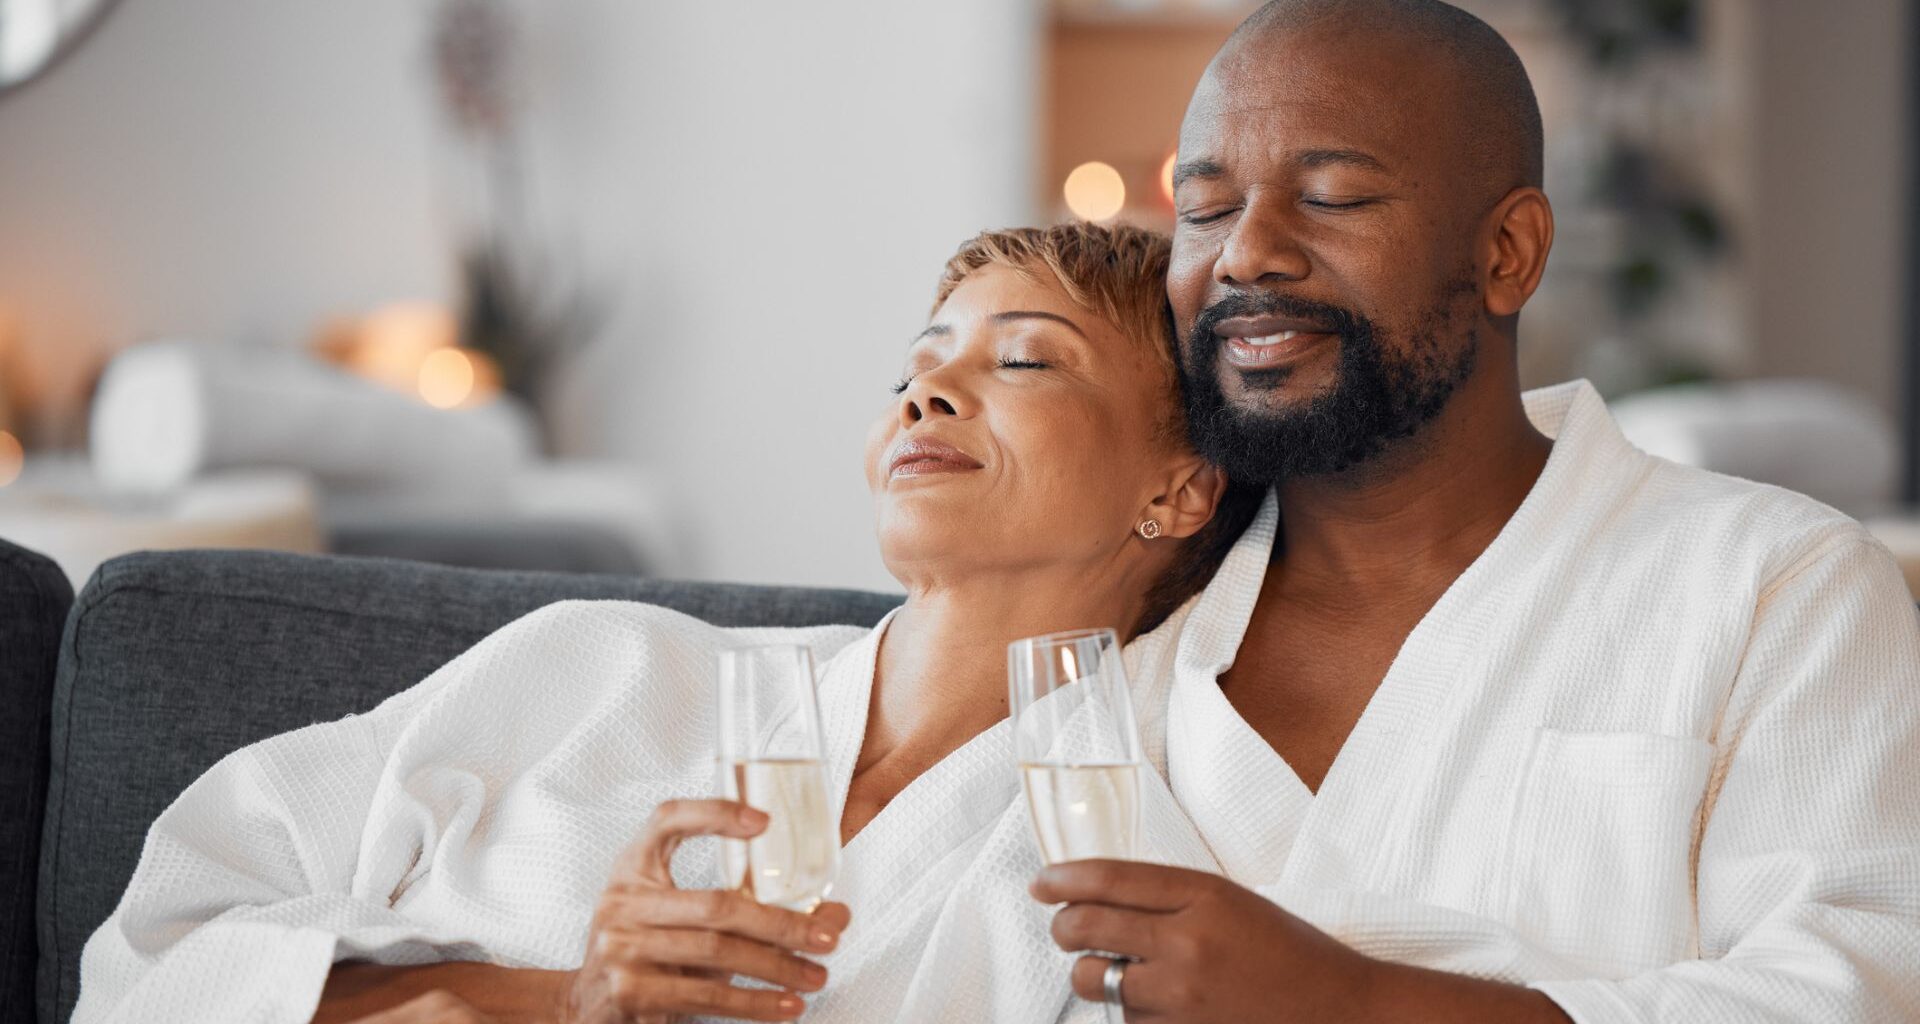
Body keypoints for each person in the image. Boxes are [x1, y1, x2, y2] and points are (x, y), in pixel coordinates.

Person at [72, 223, 1260, 1024]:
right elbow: (152, 949)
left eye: (1027, 362)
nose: (926, 392)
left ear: (1181, 487)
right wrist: (547, 996)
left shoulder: (1136, 827)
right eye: (919, 362)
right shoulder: (594, 667)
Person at [1033, 2, 1920, 1022]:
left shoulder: (1779, 587)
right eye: (1203, 206)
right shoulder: (1128, 615)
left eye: (1331, 197)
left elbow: (1853, 992)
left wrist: (1355, 1002)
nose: (1246, 254)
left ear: (1509, 252)